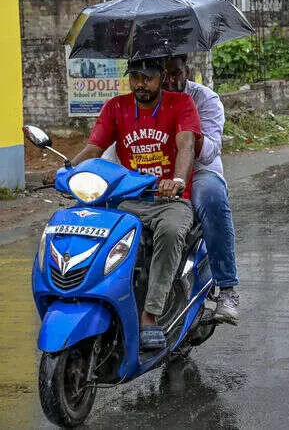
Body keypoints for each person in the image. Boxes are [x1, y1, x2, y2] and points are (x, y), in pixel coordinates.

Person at [46, 57, 201, 350]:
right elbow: (95, 147)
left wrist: (177, 181)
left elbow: (186, 145)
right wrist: (67, 171)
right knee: (89, 227)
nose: (140, 84)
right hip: (128, 198)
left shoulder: (180, 104)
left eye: (148, 78)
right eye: (135, 77)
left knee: (169, 231)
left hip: (168, 199)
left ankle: (150, 315)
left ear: (162, 77)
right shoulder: (116, 107)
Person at [163, 54, 240, 325]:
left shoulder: (205, 99)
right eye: (164, 74)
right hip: (155, 172)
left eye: (176, 73)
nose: (170, 80)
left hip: (199, 171)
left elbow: (209, 153)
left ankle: (227, 289)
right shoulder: (145, 99)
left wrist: (189, 128)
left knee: (211, 198)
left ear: (187, 71)